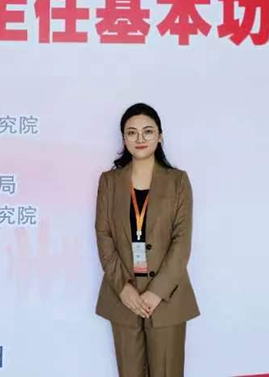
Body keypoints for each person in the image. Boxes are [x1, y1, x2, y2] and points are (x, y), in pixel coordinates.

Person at [95, 102, 200, 377]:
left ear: (160, 136)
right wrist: (123, 288)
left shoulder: (178, 181)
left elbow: (182, 241)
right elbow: (104, 237)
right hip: (123, 298)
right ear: (124, 138)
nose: (140, 138)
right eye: (132, 132)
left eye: (148, 131)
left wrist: (156, 292)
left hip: (167, 297)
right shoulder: (109, 182)